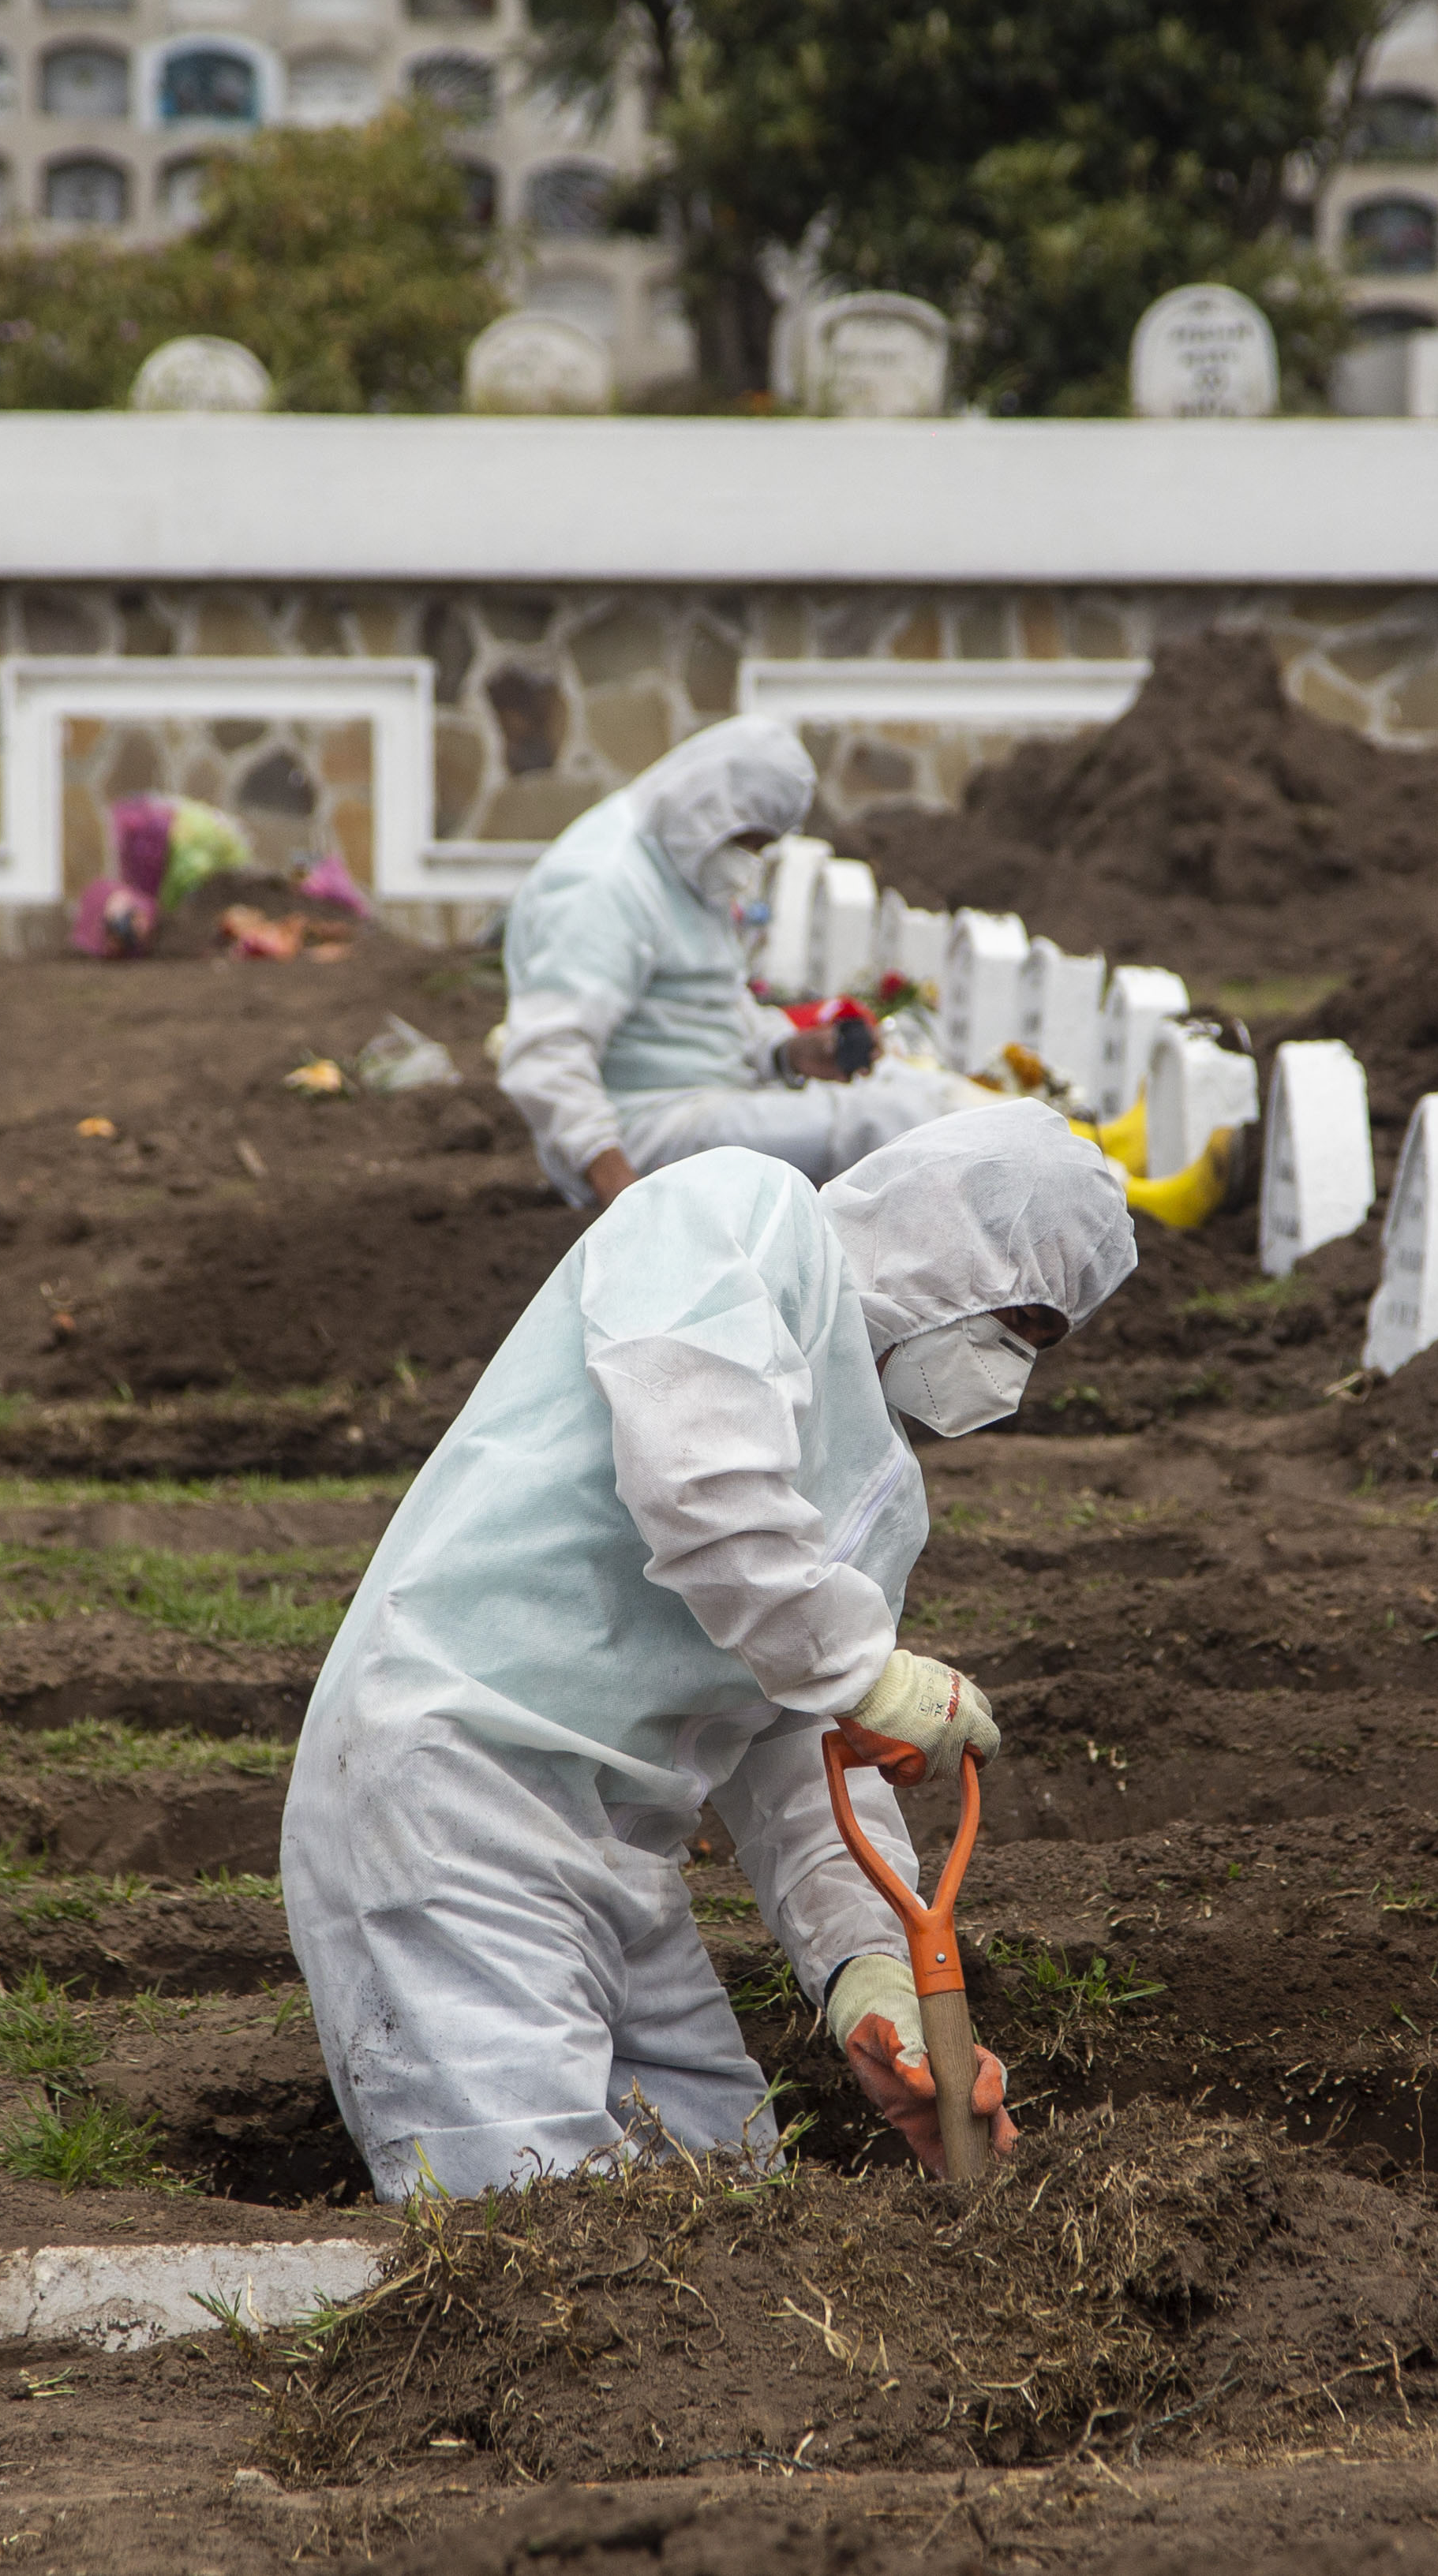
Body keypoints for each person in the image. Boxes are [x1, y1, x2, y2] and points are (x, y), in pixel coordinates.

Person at [285, 1105, 1137, 2197]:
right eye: (1017, 1319)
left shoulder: (872, 1497)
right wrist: (867, 1673)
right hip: (452, 1789)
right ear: (947, 1237)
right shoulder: (737, 1212)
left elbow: (804, 1753)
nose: (1010, 1372)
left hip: (617, 1857)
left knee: (734, 2213)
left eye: (1042, 1342)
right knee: (540, 2240)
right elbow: (702, 1488)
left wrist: (870, 1977)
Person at [496, 717, 990, 1209]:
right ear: (711, 810)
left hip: (704, 1102)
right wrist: (624, 1198)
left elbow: (708, 1002)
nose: (750, 861)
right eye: (748, 843)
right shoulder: (601, 886)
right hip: (646, 1132)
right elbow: (547, 1057)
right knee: (883, 1121)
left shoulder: (679, 859)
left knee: (922, 1090)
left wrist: (785, 1050)